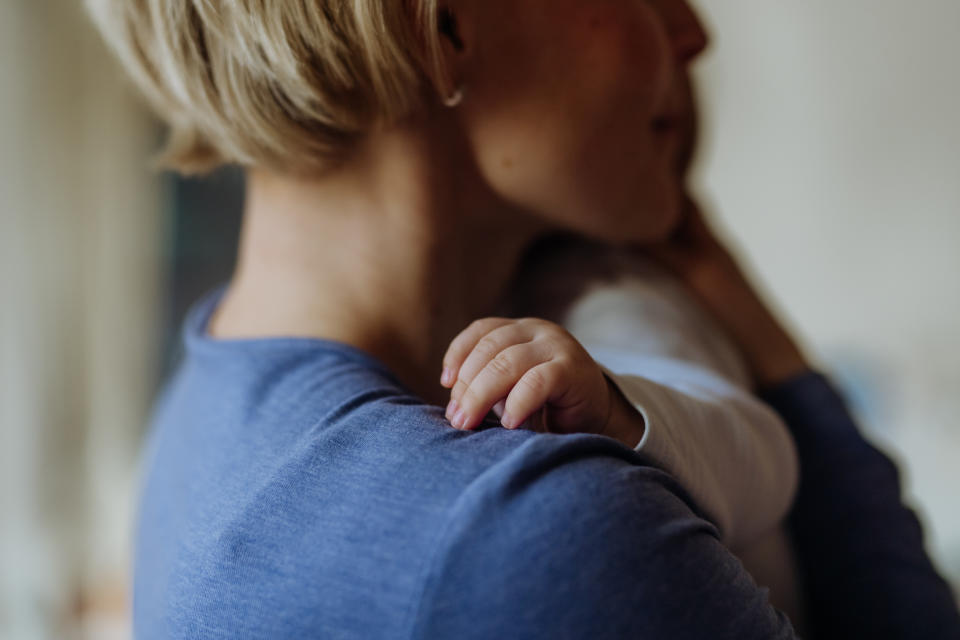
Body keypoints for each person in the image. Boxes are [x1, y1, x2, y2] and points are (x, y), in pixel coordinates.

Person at [85, 1, 960, 638]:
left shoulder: (205, 401)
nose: (695, 32)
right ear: (445, 27)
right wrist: (769, 346)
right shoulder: (533, 531)